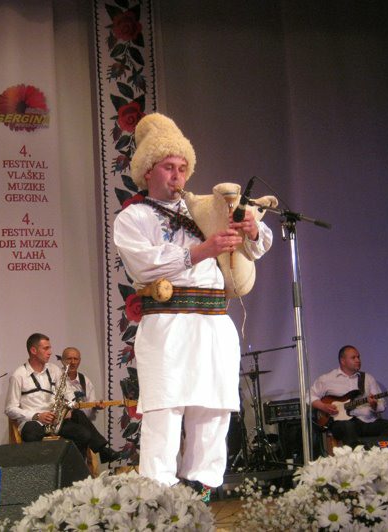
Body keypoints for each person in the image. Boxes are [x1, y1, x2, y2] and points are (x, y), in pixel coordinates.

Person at [112, 114, 272, 499]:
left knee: (213, 406)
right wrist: (203, 250)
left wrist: (252, 228)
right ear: (148, 171)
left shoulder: (202, 207)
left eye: (183, 168)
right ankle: (159, 492)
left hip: (214, 320)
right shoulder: (133, 217)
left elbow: (256, 246)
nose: (178, 175)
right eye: (169, 167)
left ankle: (202, 487)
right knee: (165, 407)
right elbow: (144, 265)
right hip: (167, 323)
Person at [4, 333, 120, 463]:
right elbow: (10, 409)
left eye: (50, 348)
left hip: (56, 420)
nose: (50, 352)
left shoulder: (54, 370)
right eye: (46, 348)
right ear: (33, 350)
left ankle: (76, 469)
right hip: (34, 422)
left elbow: (68, 393)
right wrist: (37, 416)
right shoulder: (19, 375)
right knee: (31, 434)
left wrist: (67, 408)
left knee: (83, 433)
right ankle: (42, 471)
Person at [310, 345, 388, 446]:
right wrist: (323, 406)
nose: (358, 360)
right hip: (341, 423)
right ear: (343, 361)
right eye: (353, 358)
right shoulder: (327, 379)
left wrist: (374, 405)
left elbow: (382, 404)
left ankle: (380, 454)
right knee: (348, 426)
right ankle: (356, 455)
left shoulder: (368, 378)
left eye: (358, 357)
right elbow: (309, 396)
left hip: (367, 421)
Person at [61, 347, 103, 421]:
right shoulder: (55, 378)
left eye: (75, 359)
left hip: (80, 422)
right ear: (62, 360)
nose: (72, 362)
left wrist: (95, 407)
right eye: (69, 359)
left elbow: (90, 413)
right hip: (61, 422)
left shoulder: (85, 381)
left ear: (79, 361)